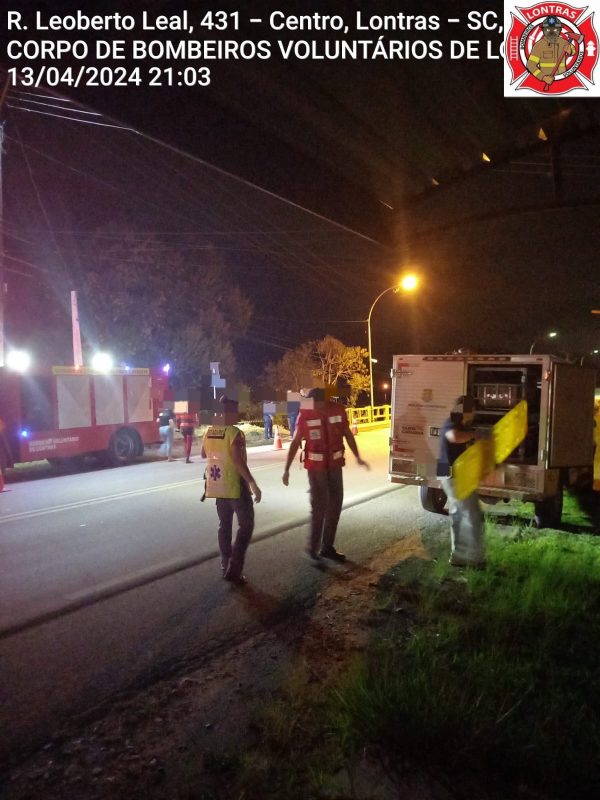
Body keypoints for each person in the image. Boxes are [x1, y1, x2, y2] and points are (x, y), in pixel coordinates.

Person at [282, 388, 369, 562]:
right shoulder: (305, 414)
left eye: (316, 403)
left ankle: (327, 547)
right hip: (316, 469)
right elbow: (296, 442)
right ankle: (312, 549)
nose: (313, 406)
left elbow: (347, 434)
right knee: (319, 507)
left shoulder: (337, 410)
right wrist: (286, 469)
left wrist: (358, 456)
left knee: (335, 506)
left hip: (335, 466)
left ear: (323, 401)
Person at [201, 397, 262, 584]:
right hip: (235, 486)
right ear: (227, 412)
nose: (237, 414)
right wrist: (252, 482)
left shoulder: (209, 432)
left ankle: (225, 561)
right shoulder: (234, 433)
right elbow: (237, 460)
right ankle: (234, 568)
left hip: (216, 486)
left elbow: (204, 454)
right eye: (234, 411)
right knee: (246, 524)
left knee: (224, 525)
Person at [437, 395, 486, 568]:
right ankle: (475, 559)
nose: (474, 414)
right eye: (472, 410)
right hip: (453, 475)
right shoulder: (453, 423)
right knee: (471, 514)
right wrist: (475, 435)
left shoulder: (457, 424)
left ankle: (458, 556)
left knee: (458, 515)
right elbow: (453, 437)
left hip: (448, 473)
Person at [526, 16, 576, 88]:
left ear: (560, 30)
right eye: (548, 29)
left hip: (563, 80)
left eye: (555, 29)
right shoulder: (539, 46)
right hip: (547, 81)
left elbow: (573, 50)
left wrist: (570, 51)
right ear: (543, 30)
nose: (551, 32)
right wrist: (543, 77)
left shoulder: (564, 43)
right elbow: (530, 65)